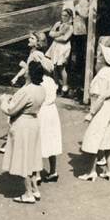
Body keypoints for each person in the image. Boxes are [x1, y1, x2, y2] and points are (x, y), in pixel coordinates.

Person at [0, 61, 46, 204]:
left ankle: (27, 193)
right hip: (33, 123)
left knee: (23, 159)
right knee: (31, 157)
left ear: (30, 74)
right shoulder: (41, 89)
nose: (24, 71)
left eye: (27, 69)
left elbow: (11, 110)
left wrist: (3, 101)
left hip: (23, 125)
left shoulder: (28, 90)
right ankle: (35, 190)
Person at [78, 45, 110, 181]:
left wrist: (91, 113)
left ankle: (91, 172)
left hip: (102, 107)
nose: (99, 56)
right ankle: (109, 170)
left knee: (94, 137)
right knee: (108, 138)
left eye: (101, 55)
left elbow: (101, 97)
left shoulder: (103, 73)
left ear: (106, 59)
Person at [37, 55, 63, 183]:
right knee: (51, 140)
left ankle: (36, 174)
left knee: (39, 140)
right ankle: (53, 171)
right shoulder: (52, 81)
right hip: (52, 112)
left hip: (43, 111)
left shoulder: (41, 82)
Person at [46, 7, 74, 96]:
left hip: (63, 47)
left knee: (61, 67)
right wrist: (59, 34)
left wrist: (57, 36)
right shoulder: (58, 23)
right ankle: (56, 85)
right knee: (54, 66)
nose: (63, 17)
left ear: (70, 17)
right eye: (62, 15)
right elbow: (50, 33)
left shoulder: (70, 27)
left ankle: (64, 87)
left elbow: (65, 38)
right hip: (55, 46)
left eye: (65, 16)